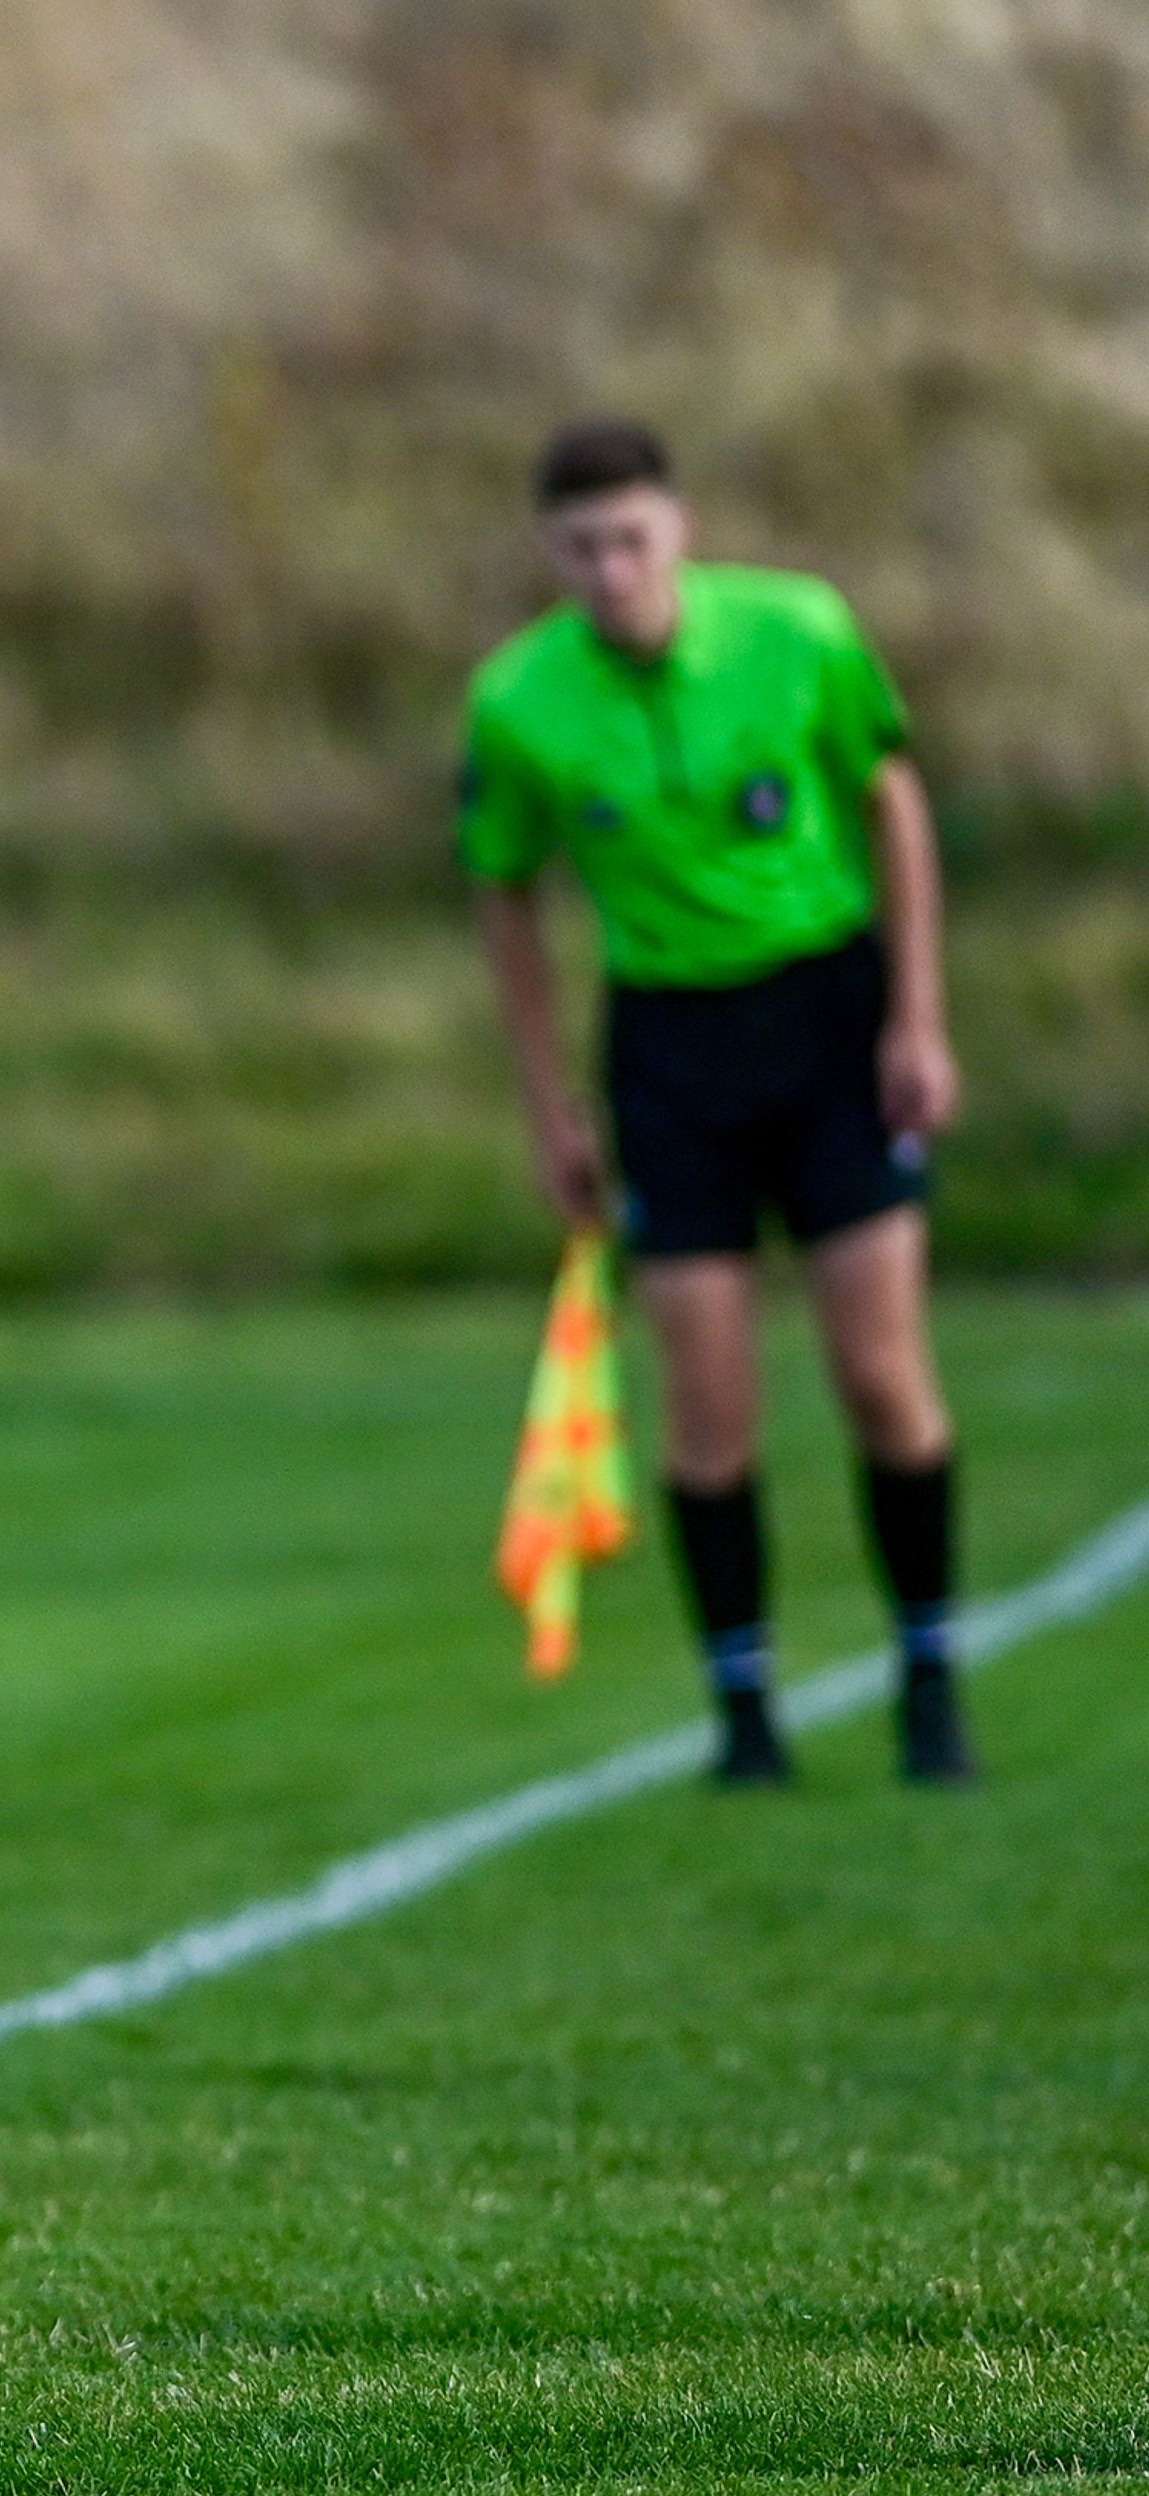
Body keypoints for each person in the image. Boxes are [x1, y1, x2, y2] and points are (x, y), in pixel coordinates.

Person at [463, 419, 971, 1788]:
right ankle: (744, 1712)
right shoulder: (519, 703)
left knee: (880, 1372)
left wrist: (916, 1016)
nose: (611, 569)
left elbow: (894, 802)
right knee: (707, 1392)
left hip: (826, 1022)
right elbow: (503, 888)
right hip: (669, 1053)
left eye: (632, 537)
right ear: (549, 555)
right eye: (583, 547)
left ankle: (929, 1675)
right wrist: (548, 1102)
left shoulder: (797, 632)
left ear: (678, 528)